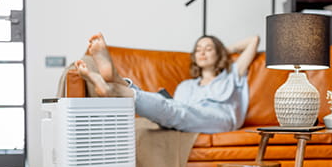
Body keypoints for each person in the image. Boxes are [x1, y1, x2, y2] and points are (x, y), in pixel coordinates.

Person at [74, 33, 260, 133]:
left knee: (174, 110)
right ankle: (115, 84)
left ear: (219, 53)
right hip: (184, 116)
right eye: (198, 49)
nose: (202, 52)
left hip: (219, 118)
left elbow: (254, 40)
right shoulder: (186, 86)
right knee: (169, 106)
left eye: (209, 49)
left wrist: (225, 50)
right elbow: (176, 108)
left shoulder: (231, 75)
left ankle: (117, 84)